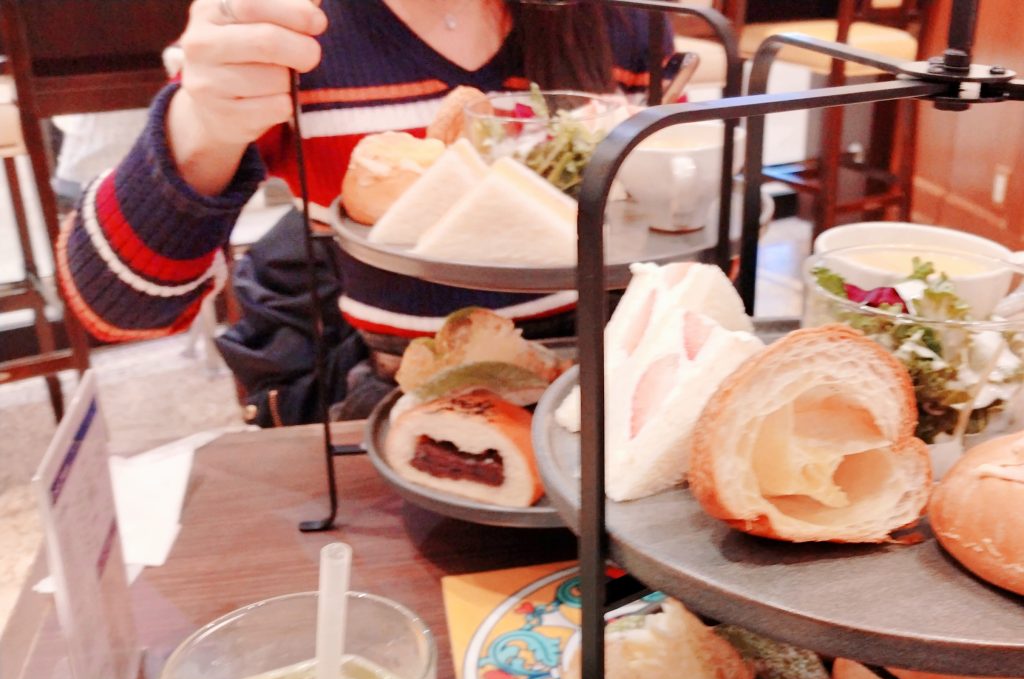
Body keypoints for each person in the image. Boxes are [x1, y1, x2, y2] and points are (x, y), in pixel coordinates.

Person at [56, 0, 670, 424]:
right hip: (396, 404)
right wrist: (202, 123)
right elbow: (121, 305)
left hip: (605, 396)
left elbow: (674, 227)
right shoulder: (294, 29)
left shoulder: (621, 21)